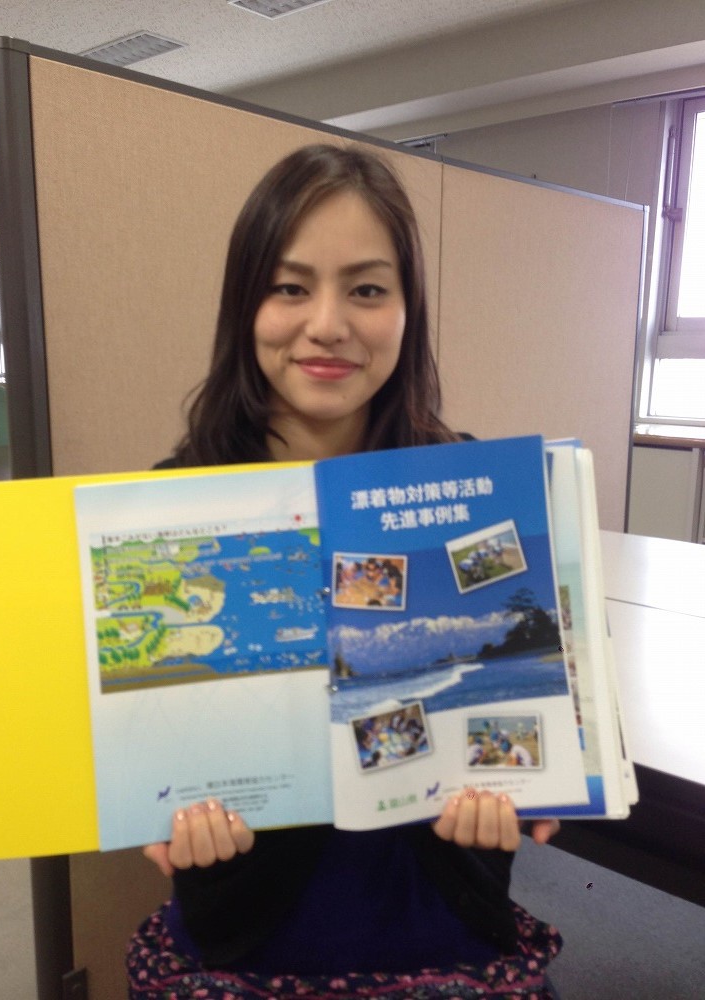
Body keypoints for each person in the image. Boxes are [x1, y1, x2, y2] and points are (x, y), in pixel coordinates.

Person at [128, 143, 562, 999]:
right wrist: (149, 804)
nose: (328, 324)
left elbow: (541, 674)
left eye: (366, 289)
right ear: (244, 304)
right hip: (243, 934)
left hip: (441, 923)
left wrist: (545, 774)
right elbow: (147, 735)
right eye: (290, 287)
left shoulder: (472, 489)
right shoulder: (171, 509)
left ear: (408, 310)